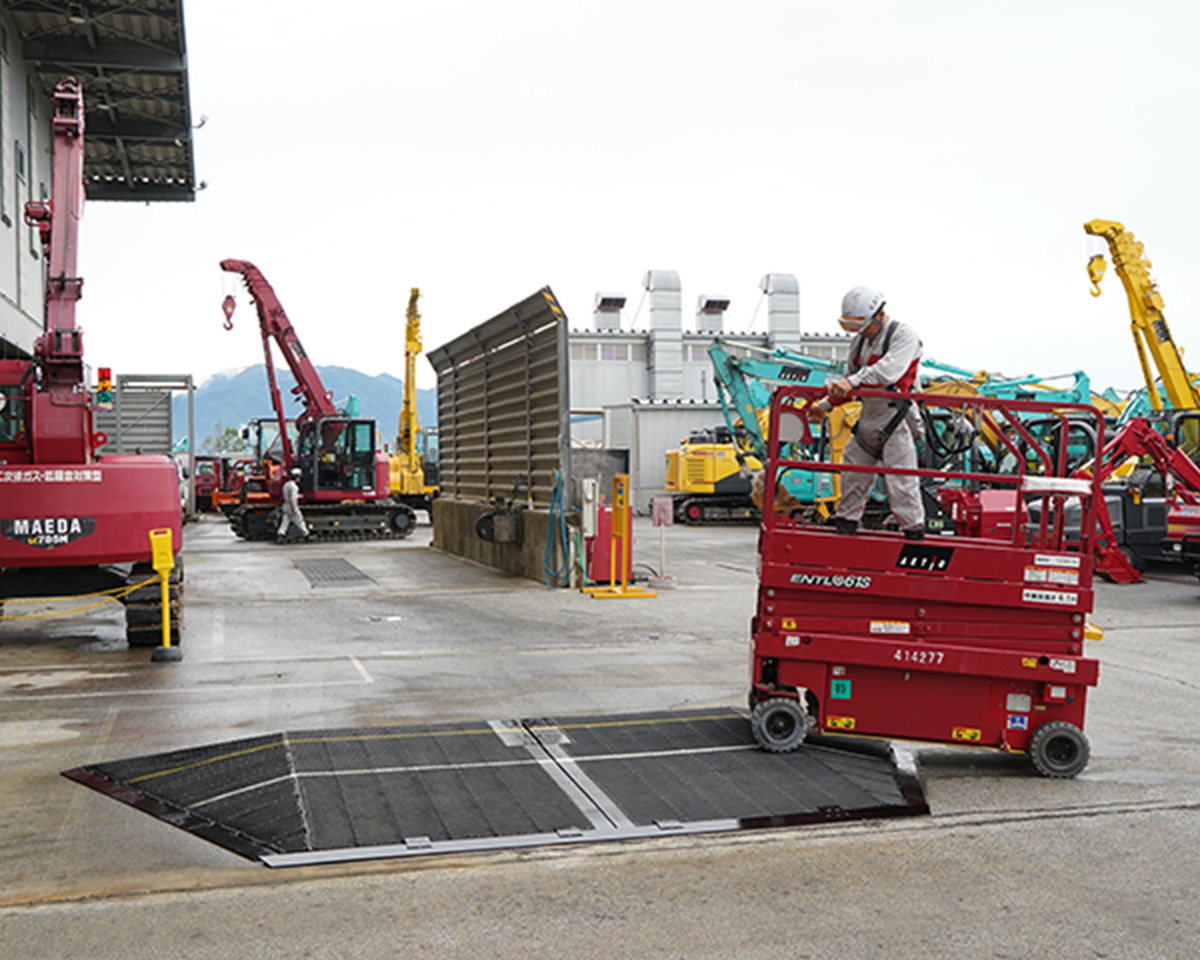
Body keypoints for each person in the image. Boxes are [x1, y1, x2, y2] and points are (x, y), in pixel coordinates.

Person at [809, 285, 925, 539]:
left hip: (896, 418)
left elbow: (888, 371)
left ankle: (914, 538)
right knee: (853, 473)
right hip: (869, 417)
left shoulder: (904, 335)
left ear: (880, 315)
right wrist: (825, 406)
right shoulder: (860, 342)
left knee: (901, 484)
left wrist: (851, 383)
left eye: (862, 327)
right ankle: (845, 529)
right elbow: (849, 381)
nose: (860, 333)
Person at [278, 467, 309, 543]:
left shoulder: (286, 485)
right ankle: (306, 534)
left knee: (285, 521)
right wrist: (294, 508)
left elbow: (288, 496)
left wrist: (298, 496)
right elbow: (293, 499)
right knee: (300, 521)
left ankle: (281, 534)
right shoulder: (294, 487)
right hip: (292, 506)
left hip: (286, 505)